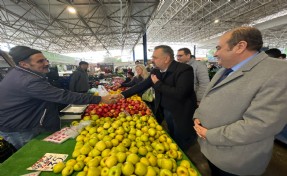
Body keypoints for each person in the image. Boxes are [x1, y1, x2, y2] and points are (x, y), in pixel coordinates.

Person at [193, 27, 287, 176]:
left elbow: (260, 125)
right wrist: (198, 115)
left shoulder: (278, 72)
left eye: (219, 48)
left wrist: (209, 134)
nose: (216, 53)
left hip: (235, 161)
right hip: (212, 151)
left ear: (240, 47)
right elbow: (208, 96)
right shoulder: (225, 69)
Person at [0, 46, 119, 150]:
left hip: (24, 121)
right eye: (40, 61)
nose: (46, 63)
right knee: (33, 155)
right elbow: (62, 96)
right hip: (21, 128)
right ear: (24, 64)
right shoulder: (27, 81)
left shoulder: (22, 74)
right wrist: (100, 99)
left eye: (45, 60)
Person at [119, 45, 197, 151]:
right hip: (166, 110)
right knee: (172, 133)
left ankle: (184, 153)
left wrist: (158, 84)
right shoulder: (156, 71)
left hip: (181, 112)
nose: (152, 60)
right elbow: (142, 85)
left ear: (166, 59)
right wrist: (122, 95)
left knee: (182, 137)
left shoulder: (184, 70)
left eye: (155, 57)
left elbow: (180, 93)